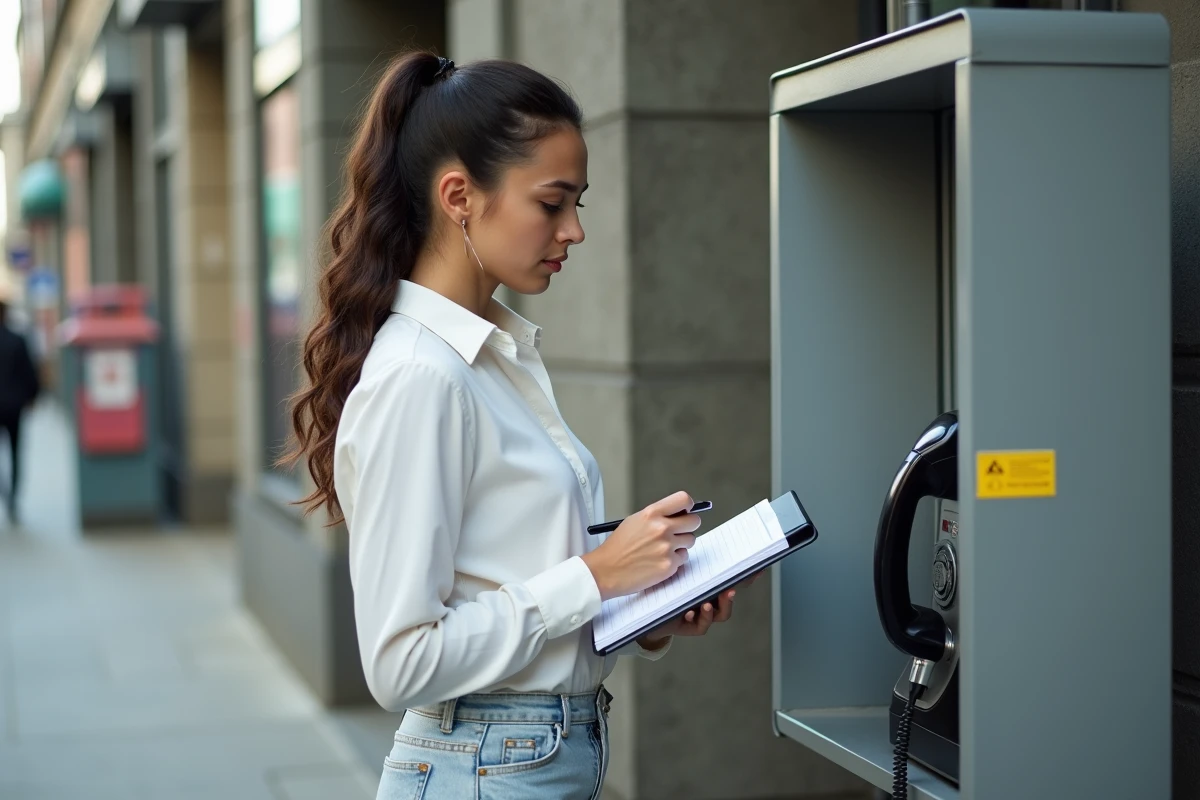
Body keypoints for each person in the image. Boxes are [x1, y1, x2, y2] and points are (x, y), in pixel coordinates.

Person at [285, 51, 756, 799]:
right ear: (459, 196)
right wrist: (598, 573)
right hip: (482, 767)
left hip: (526, 759)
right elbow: (400, 662)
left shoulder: (491, 357)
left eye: (580, 202)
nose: (574, 230)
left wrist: (646, 602)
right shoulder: (421, 376)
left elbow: (509, 585)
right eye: (551, 202)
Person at [0, 283, 40, 524]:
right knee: (16, 453)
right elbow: (30, 373)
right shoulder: (17, 340)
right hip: (14, 407)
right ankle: (13, 497)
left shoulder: (18, 339)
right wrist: (33, 398)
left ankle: (5, 493)